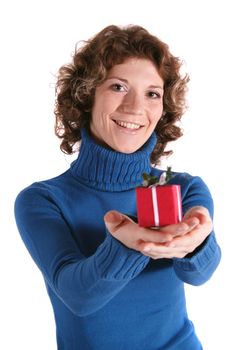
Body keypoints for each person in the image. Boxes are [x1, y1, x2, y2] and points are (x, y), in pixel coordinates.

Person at [14, 24, 221, 350]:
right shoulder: (42, 201)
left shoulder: (182, 187)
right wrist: (128, 243)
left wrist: (196, 242)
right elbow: (76, 295)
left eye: (152, 93)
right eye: (119, 87)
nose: (136, 107)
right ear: (86, 95)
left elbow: (199, 273)